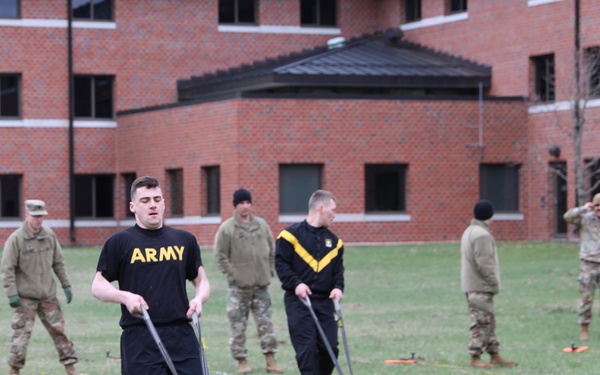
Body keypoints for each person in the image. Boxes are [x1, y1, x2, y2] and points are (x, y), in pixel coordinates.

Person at [91, 176, 210, 375]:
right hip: (140, 337)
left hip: (182, 335)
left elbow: (201, 280)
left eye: (157, 199)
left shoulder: (184, 240)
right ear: (133, 207)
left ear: (164, 203)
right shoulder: (120, 242)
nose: (152, 205)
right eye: (145, 201)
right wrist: (125, 297)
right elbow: (98, 286)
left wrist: (199, 299)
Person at [0, 199, 80, 375]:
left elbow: (58, 262)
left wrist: (66, 284)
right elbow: (7, 269)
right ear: (27, 215)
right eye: (35, 216)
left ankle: (71, 368)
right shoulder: (16, 239)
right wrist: (11, 294)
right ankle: (14, 370)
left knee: (60, 333)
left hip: (48, 295)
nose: (39, 220)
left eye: (41, 216)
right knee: (21, 336)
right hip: (25, 297)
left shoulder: (49, 236)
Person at [214, 188, 284, 374]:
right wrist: (235, 275)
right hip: (239, 289)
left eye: (247, 203)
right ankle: (242, 362)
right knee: (238, 326)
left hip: (261, 286)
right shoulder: (227, 228)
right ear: (235, 206)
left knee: (266, 324)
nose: (245, 207)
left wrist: (269, 270)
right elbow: (220, 256)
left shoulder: (261, 224)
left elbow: (271, 249)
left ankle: (271, 361)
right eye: (241, 203)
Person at [275, 190, 345, 375]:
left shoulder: (335, 242)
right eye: (333, 210)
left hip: (325, 303)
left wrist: (338, 288)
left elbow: (338, 271)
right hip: (299, 303)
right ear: (321, 208)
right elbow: (281, 265)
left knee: (330, 349)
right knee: (306, 351)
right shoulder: (289, 236)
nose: (335, 214)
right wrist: (296, 284)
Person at [460, 199, 517, 369]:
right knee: (480, 323)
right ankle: (475, 357)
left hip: (473, 285)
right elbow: (484, 263)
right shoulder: (482, 235)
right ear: (490, 215)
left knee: (488, 322)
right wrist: (493, 282)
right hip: (480, 286)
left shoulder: (469, 231)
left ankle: (494, 355)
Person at [563, 192, 600, 341]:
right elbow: (568, 217)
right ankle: (584, 329)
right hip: (589, 262)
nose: (598, 210)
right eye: (597, 206)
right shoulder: (586, 218)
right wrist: (584, 208)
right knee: (586, 298)